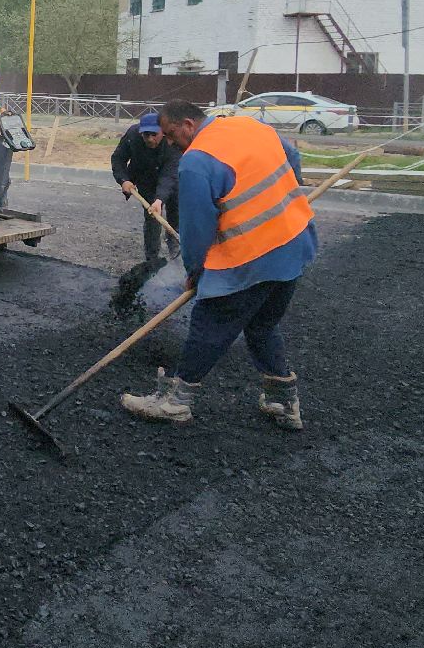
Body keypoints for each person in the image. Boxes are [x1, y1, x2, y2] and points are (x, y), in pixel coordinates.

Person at [121, 99, 316, 431]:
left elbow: (196, 228)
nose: (169, 143)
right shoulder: (248, 125)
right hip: (295, 244)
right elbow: (292, 159)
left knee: (208, 325)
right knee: (262, 326)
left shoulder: (196, 161)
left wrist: (196, 272)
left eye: (170, 134)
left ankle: (175, 404)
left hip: (251, 258)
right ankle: (285, 403)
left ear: (188, 125)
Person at [108, 110, 181, 262]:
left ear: (163, 132)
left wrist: (159, 199)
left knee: (176, 214)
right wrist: (124, 180)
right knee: (152, 218)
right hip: (145, 178)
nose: (149, 139)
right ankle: (152, 259)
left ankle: (176, 253)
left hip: (173, 180)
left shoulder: (172, 143)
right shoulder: (133, 136)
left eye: (154, 135)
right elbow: (118, 159)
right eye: (146, 135)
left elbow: (168, 175)